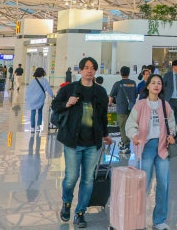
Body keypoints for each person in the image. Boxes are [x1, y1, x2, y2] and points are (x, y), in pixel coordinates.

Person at [52, 57, 112, 228]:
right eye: (86, 68)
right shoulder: (69, 89)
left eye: (92, 68)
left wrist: (105, 134)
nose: (89, 71)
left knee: (87, 179)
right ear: (80, 71)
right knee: (71, 178)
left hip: (93, 143)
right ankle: (67, 202)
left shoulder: (100, 91)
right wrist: (67, 103)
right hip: (73, 141)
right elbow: (55, 106)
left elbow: (102, 116)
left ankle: (80, 213)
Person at [125, 73, 177, 230]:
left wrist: (172, 135)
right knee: (143, 186)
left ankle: (159, 220)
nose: (156, 85)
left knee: (164, 185)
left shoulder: (165, 105)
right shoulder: (140, 105)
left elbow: (172, 124)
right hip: (146, 147)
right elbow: (130, 123)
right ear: (147, 86)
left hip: (162, 148)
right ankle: (138, 220)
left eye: (159, 83)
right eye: (153, 83)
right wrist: (134, 135)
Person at [109, 66, 138, 153]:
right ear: (128, 73)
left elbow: (111, 96)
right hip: (132, 109)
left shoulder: (117, 84)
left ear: (121, 73)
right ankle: (125, 141)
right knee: (130, 127)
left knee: (123, 127)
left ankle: (126, 145)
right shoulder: (133, 83)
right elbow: (135, 95)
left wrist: (110, 104)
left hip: (121, 109)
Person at [26, 67, 53, 133]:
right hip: (41, 98)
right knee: (40, 112)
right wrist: (52, 96)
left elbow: (28, 91)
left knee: (33, 112)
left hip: (32, 99)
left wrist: (27, 98)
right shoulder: (44, 81)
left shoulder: (33, 81)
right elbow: (49, 89)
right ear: (42, 73)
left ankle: (32, 127)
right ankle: (38, 126)